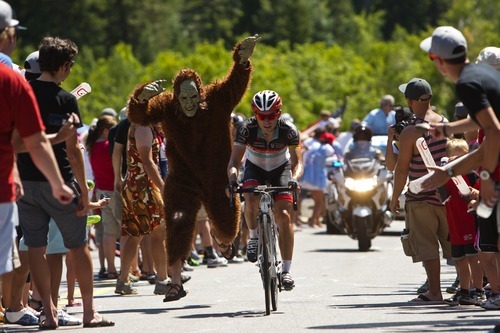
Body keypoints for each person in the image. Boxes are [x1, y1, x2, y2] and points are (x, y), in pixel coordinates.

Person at [127, 34, 260, 302]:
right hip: (183, 177)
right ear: (176, 96)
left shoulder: (217, 99)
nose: (188, 103)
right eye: (183, 97)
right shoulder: (166, 106)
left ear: (200, 93)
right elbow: (139, 117)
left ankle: (221, 239)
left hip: (216, 174)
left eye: (192, 96)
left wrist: (242, 61)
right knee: (177, 226)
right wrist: (140, 98)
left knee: (227, 230)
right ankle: (175, 283)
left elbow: (235, 84)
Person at [16, 36, 114, 329]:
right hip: (59, 181)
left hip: (27, 183)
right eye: (69, 66)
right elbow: (73, 151)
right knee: (78, 246)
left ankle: (49, 312)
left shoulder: (23, 93)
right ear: (63, 66)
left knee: (35, 247)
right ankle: (89, 313)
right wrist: (85, 193)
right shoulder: (66, 99)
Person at [419, 27, 500, 309]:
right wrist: (450, 128)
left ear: (437, 59)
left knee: (492, 246)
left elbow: (494, 131)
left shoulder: (467, 82)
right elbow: (484, 120)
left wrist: (485, 178)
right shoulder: (482, 75)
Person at [0, 61, 75, 326]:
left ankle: (17, 306)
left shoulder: (21, 92)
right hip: (32, 185)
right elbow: (34, 142)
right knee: (42, 251)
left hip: (19, 186)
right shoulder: (23, 93)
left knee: (21, 250)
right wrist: (60, 182)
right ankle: (43, 307)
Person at [227, 90, 303, 290]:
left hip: (281, 169)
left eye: (271, 116)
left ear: (278, 114)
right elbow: (234, 162)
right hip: (255, 169)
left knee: (284, 215)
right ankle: (253, 238)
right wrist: (233, 180)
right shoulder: (246, 129)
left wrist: (294, 179)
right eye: (262, 116)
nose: (267, 121)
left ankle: (286, 271)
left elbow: (298, 163)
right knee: (250, 198)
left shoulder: (289, 130)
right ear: (255, 115)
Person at [389, 77, 451, 303]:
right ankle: (471, 287)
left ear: (410, 101)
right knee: (456, 246)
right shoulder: (446, 124)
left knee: (427, 248)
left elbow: (401, 170)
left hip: (420, 197)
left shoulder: (411, 131)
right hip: (447, 196)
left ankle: (435, 292)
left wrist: (395, 198)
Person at [115, 122, 170, 296]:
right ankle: (162, 280)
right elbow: (147, 161)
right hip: (144, 187)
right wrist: (162, 187)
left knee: (135, 235)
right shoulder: (144, 128)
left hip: (136, 185)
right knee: (158, 233)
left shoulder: (138, 126)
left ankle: (123, 280)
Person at [440, 139, 485, 306]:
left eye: (462, 157)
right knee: (459, 260)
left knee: (473, 258)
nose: (458, 161)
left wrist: (474, 192)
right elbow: (441, 195)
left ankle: (478, 290)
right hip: (454, 223)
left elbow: (480, 191)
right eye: (454, 157)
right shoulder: (445, 176)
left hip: (470, 221)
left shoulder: (473, 174)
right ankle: (464, 290)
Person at [86, 115, 120, 279]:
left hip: (100, 191)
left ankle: (111, 269)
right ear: (105, 130)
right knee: (126, 231)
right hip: (114, 189)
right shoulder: (108, 146)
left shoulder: (92, 146)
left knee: (108, 231)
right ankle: (133, 268)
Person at [298, 127, 334, 228]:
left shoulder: (308, 142)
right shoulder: (325, 146)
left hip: (304, 175)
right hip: (317, 177)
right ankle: (313, 220)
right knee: (319, 201)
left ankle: (296, 220)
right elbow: (332, 156)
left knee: (299, 199)